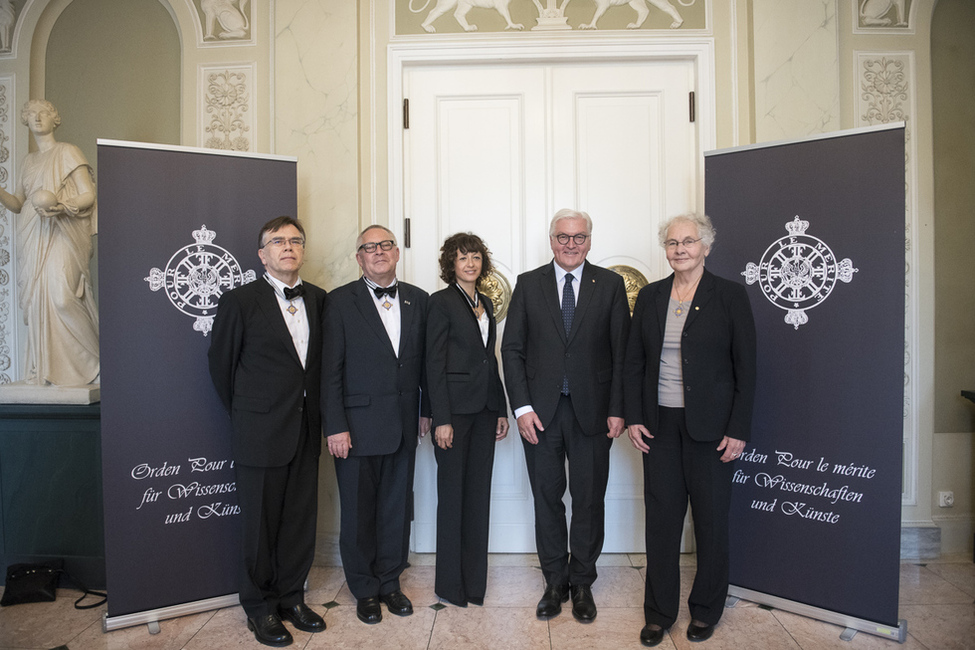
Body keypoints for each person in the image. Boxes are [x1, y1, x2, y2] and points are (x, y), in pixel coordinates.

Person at [623, 213, 756, 646]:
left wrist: (738, 428)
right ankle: (659, 614)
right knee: (661, 523)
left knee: (711, 523)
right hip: (659, 425)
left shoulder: (729, 296)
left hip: (712, 430)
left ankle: (705, 610)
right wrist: (636, 415)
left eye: (689, 242)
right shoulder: (651, 296)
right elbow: (635, 362)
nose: (680, 249)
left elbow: (746, 369)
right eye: (673, 243)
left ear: (706, 247)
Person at [501, 208, 630, 622]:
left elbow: (621, 352)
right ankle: (554, 581)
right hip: (540, 414)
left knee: (589, 500)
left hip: (594, 414)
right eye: (562, 237)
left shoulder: (609, 285)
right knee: (547, 499)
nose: (570, 244)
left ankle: (583, 582)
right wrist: (521, 408)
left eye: (578, 237)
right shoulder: (527, 283)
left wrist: (618, 409)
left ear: (590, 240)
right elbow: (513, 350)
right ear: (551, 240)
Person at [208, 216, 328, 647]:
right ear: (263, 254)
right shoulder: (239, 301)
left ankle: (292, 598)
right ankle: (259, 608)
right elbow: (221, 367)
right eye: (278, 241)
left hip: (306, 430)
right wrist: (249, 415)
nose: (288, 247)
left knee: (299, 521)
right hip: (259, 432)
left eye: (295, 240)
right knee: (259, 528)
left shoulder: (318, 298)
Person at [322, 225, 431, 625]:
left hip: (404, 423)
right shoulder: (338, 302)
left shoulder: (420, 300)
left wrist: (427, 408)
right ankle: (364, 589)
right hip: (355, 427)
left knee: (395, 510)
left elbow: (427, 364)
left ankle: (389, 582)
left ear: (397, 252)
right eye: (370, 247)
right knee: (358, 513)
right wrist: (335, 426)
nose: (379, 252)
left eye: (386, 245)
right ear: (359, 258)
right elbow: (329, 371)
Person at [425, 232, 509, 608]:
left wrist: (502, 408)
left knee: (478, 497)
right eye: (462, 258)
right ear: (451, 265)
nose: (470, 263)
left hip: (486, 410)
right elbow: (434, 364)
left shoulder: (487, 303)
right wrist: (441, 417)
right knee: (453, 498)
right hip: (454, 415)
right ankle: (450, 585)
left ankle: (475, 584)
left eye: (475, 257)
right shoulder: (440, 303)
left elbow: (490, 359)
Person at [0, 99, 98, 386]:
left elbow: (88, 194)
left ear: (55, 119)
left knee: (63, 297)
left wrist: (63, 207)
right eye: (31, 115)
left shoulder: (68, 151)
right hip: (33, 233)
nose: (37, 118)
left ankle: (93, 364)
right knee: (38, 302)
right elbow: (19, 203)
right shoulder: (29, 160)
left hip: (61, 228)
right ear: (26, 122)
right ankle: (47, 370)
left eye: (44, 113)